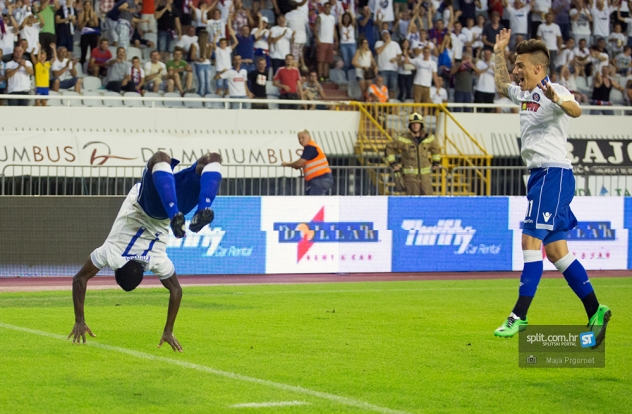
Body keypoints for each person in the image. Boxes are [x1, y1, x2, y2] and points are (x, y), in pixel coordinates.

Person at [491, 29, 611, 347]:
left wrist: (558, 99)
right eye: (515, 64)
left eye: (520, 65)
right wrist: (498, 52)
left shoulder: (553, 90)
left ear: (537, 68)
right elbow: (501, 85)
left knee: (530, 239)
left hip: (552, 174)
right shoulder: (525, 95)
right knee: (557, 252)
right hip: (540, 177)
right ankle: (596, 310)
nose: (515, 70)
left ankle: (519, 315)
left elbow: (576, 109)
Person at [67, 151, 223, 350]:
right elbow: (79, 279)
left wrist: (168, 330)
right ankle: (202, 208)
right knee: (195, 159)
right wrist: (79, 320)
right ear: (116, 269)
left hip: (167, 208)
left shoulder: (156, 261)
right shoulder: (112, 254)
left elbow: (176, 290)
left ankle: (186, 212)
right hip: (154, 204)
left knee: (190, 164)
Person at [385, 113, 441, 195]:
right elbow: (389, 148)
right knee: (412, 200)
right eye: (413, 123)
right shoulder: (403, 139)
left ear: (421, 125)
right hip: (410, 178)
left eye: (417, 123)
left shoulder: (429, 138)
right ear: (410, 125)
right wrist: (393, 163)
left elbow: (435, 149)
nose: (415, 125)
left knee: (428, 199)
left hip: (425, 178)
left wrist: (436, 162)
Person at [282, 130, 333, 196]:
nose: (300, 140)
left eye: (303, 138)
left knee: (314, 201)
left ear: (309, 137)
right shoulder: (311, 147)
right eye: (299, 139)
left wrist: (286, 164)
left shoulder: (310, 148)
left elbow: (298, 164)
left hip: (319, 179)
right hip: (321, 179)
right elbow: (299, 165)